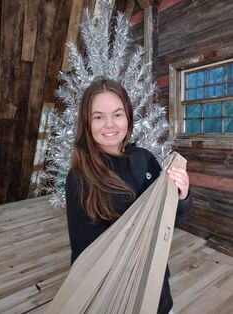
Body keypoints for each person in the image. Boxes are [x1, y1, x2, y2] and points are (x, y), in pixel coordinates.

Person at [65, 77, 192, 314]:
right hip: (116, 297)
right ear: (87, 122)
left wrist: (181, 196)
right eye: (98, 116)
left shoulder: (145, 159)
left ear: (128, 117)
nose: (110, 124)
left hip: (156, 288)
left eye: (117, 114)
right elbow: (85, 253)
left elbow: (167, 223)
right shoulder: (80, 177)